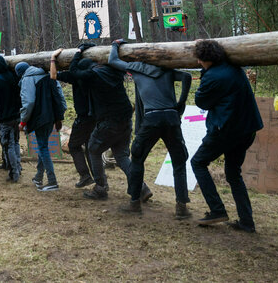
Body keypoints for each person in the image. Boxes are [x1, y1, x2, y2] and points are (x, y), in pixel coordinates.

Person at [107, 39, 193, 219]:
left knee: (137, 158)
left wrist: (115, 45)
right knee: (179, 161)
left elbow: (112, 61)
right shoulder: (166, 69)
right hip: (171, 118)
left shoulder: (136, 69)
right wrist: (181, 102)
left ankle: (134, 203)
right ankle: (181, 207)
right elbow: (187, 76)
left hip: (152, 119)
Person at [190, 40, 263, 233]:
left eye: (199, 59)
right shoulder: (235, 69)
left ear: (206, 59)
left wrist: (205, 74)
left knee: (198, 162)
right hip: (247, 129)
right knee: (233, 173)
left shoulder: (212, 76)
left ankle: (217, 210)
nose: (198, 63)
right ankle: (246, 221)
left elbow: (202, 102)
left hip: (226, 130)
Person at [69, 45, 151, 202]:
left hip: (109, 121)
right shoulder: (113, 71)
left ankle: (100, 188)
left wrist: (78, 53)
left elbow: (74, 71)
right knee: (121, 156)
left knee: (93, 150)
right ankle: (141, 187)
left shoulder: (93, 75)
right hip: (126, 120)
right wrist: (115, 46)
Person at [16, 62, 67, 192]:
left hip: (40, 118)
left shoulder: (27, 78)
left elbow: (29, 102)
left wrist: (23, 121)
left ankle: (52, 181)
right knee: (42, 145)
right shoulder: (47, 74)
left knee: (43, 147)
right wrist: (59, 116)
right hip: (51, 117)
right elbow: (59, 95)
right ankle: (38, 176)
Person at [49, 46, 95, 188]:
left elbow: (53, 75)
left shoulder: (75, 75)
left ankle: (86, 176)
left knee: (74, 146)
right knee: (91, 147)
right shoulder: (97, 73)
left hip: (83, 118)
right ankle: (99, 179)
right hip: (97, 116)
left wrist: (52, 58)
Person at [0, 55, 23, 182]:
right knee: (16, 142)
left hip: (5, 119)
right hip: (17, 116)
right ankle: (18, 167)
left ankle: (14, 172)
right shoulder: (14, 77)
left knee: (8, 145)